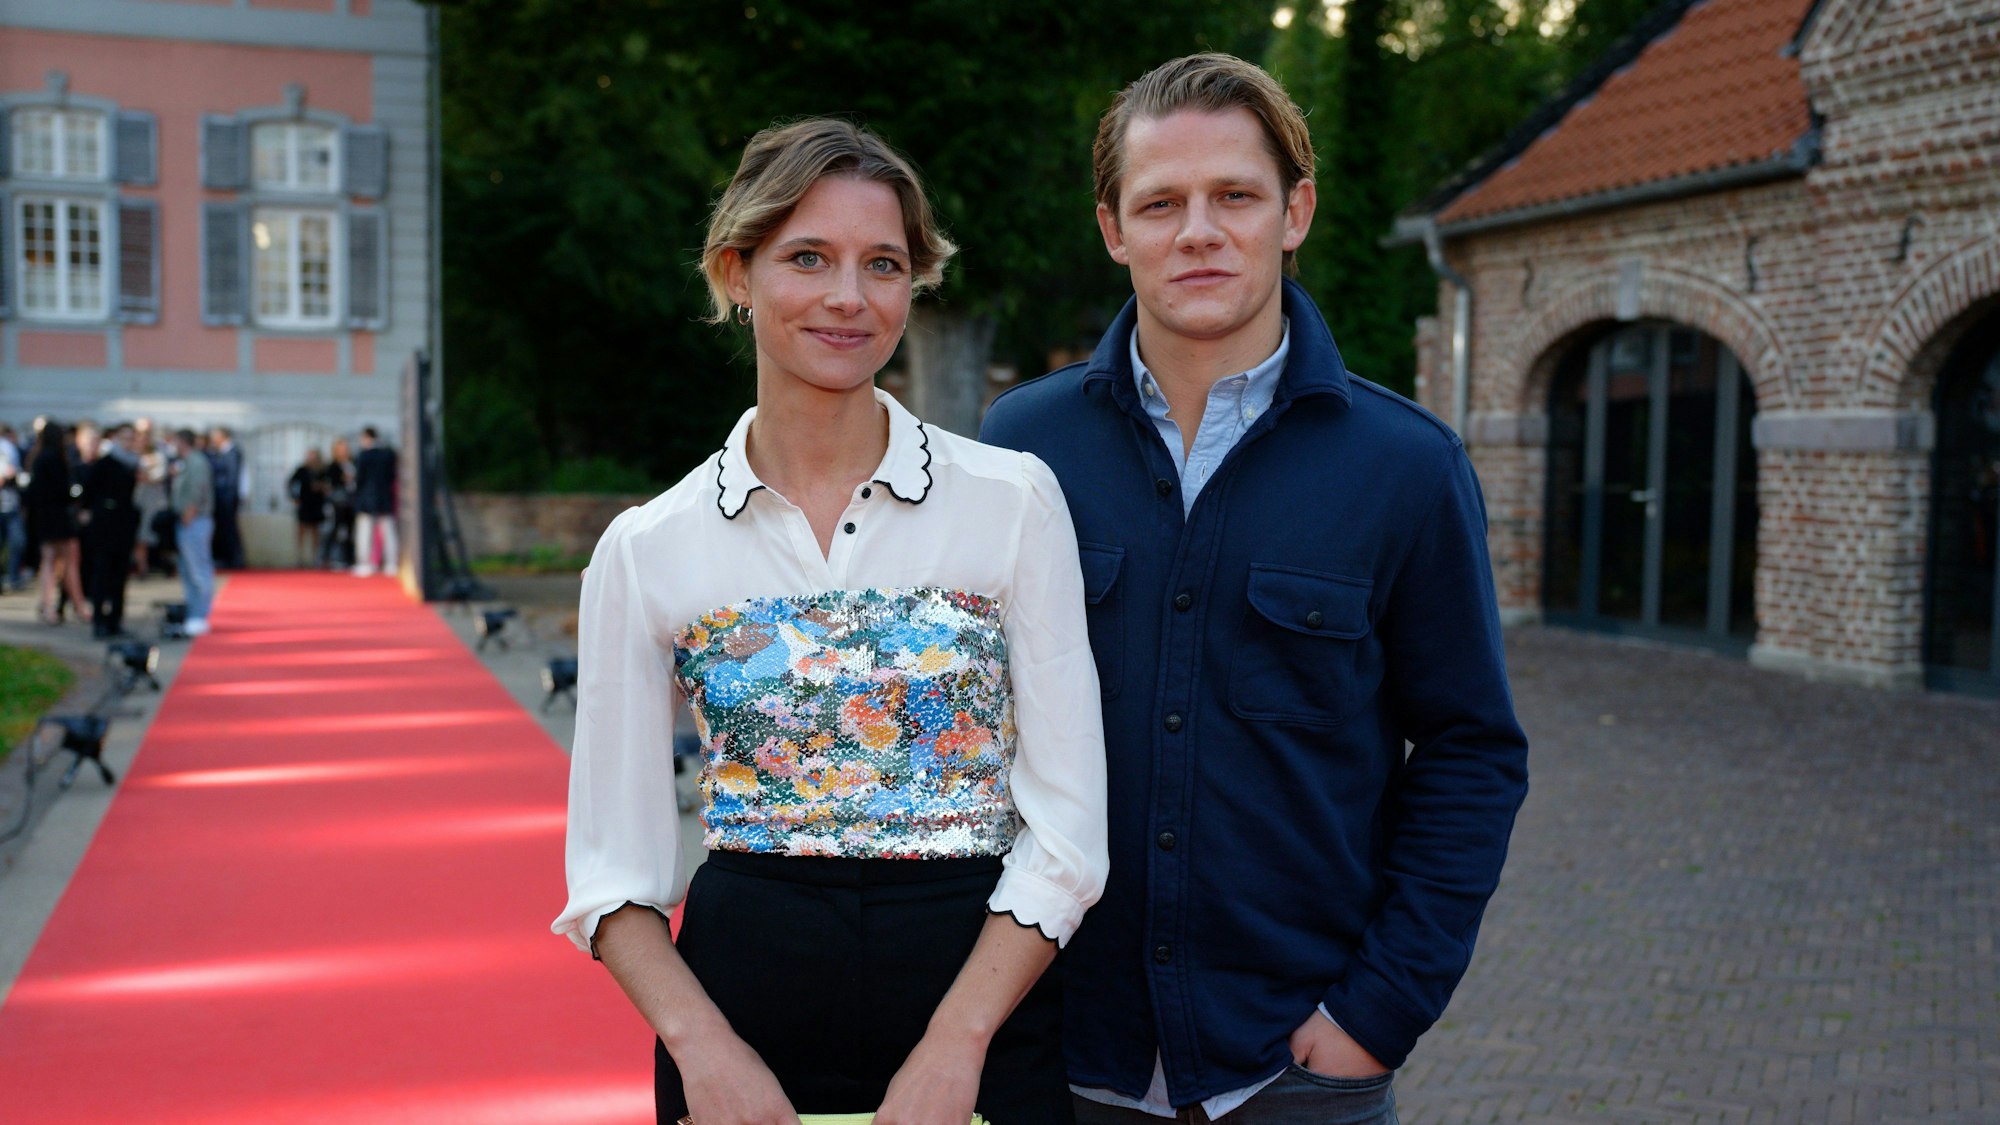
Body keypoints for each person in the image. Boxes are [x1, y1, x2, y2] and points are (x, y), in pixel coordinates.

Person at [981, 54, 1531, 1124]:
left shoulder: (1405, 467)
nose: (1197, 231)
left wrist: (1380, 1008)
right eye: (1160, 203)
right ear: (1112, 230)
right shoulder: (1019, 449)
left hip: (1289, 1070)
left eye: (1233, 194)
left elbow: (1471, 752)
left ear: (1295, 211)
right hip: (1056, 1055)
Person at [554, 117, 1109, 1125]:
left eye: (883, 264)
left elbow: (1068, 834)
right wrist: (703, 1052)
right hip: (740, 1021)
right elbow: (610, 875)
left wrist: (956, 1046)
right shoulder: (646, 549)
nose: (849, 297)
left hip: (980, 1010)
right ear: (736, 273)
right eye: (808, 257)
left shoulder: (1012, 499)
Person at [24, 421, 90, 626]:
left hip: (44, 516)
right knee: (67, 561)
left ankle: (48, 605)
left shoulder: (37, 458)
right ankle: (77, 605)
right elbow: (62, 490)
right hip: (58, 516)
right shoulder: (56, 459)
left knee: (50, 560)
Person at [80, 422, 141, 637]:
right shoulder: (105, 464)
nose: (128, 442)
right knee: (102, 573)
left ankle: (115, 620)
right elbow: (89, 492)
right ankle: (99, 620)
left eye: (131, 438)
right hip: (105, 526)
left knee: (119, 575)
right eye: (124, 437)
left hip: (123, 526)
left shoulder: (133, 464)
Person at [168, 428, 216, 636]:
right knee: (188, 571)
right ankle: (193, 613)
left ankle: (200, 615)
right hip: (188, 521)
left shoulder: (196, 462)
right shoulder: (187, 462)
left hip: (195, 521)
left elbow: (196, 491)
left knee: (198, 569)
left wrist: (189, 515)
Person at [350, 427, 398, 577]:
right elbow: (391, 476)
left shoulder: (363, 456)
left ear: (366, 437)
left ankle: (365, 564)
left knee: (365, 532)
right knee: (388, 531)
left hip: (366, 498)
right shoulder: (388, 455)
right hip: (384, 497)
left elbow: (359, 479)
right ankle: (392, 563)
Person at [289, 448, 329, 567]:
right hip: (305, 503)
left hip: (317, 504)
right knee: (301, 530)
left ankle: (315, 557)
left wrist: (320, 487)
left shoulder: (322, 470)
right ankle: (299, 557)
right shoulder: (302, 470)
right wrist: (295, 497)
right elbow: (291, 483)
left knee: (315, 531)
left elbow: (328, 486)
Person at [321, 437, 357, 569]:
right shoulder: (333, 465)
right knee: (335, 529)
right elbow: (330, 482)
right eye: (341, 448)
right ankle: (327, 558)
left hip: (352, 501)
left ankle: (349, 559)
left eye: (346, 448)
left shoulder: (353, 463)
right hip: (338, 502)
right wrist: (343, 478)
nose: (344, 451)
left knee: (350, 531)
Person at [0, 423, 26, 592]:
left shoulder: (9, 448)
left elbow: (16, 472)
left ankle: (12, 577)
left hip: (11, 505)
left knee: (18, 541)